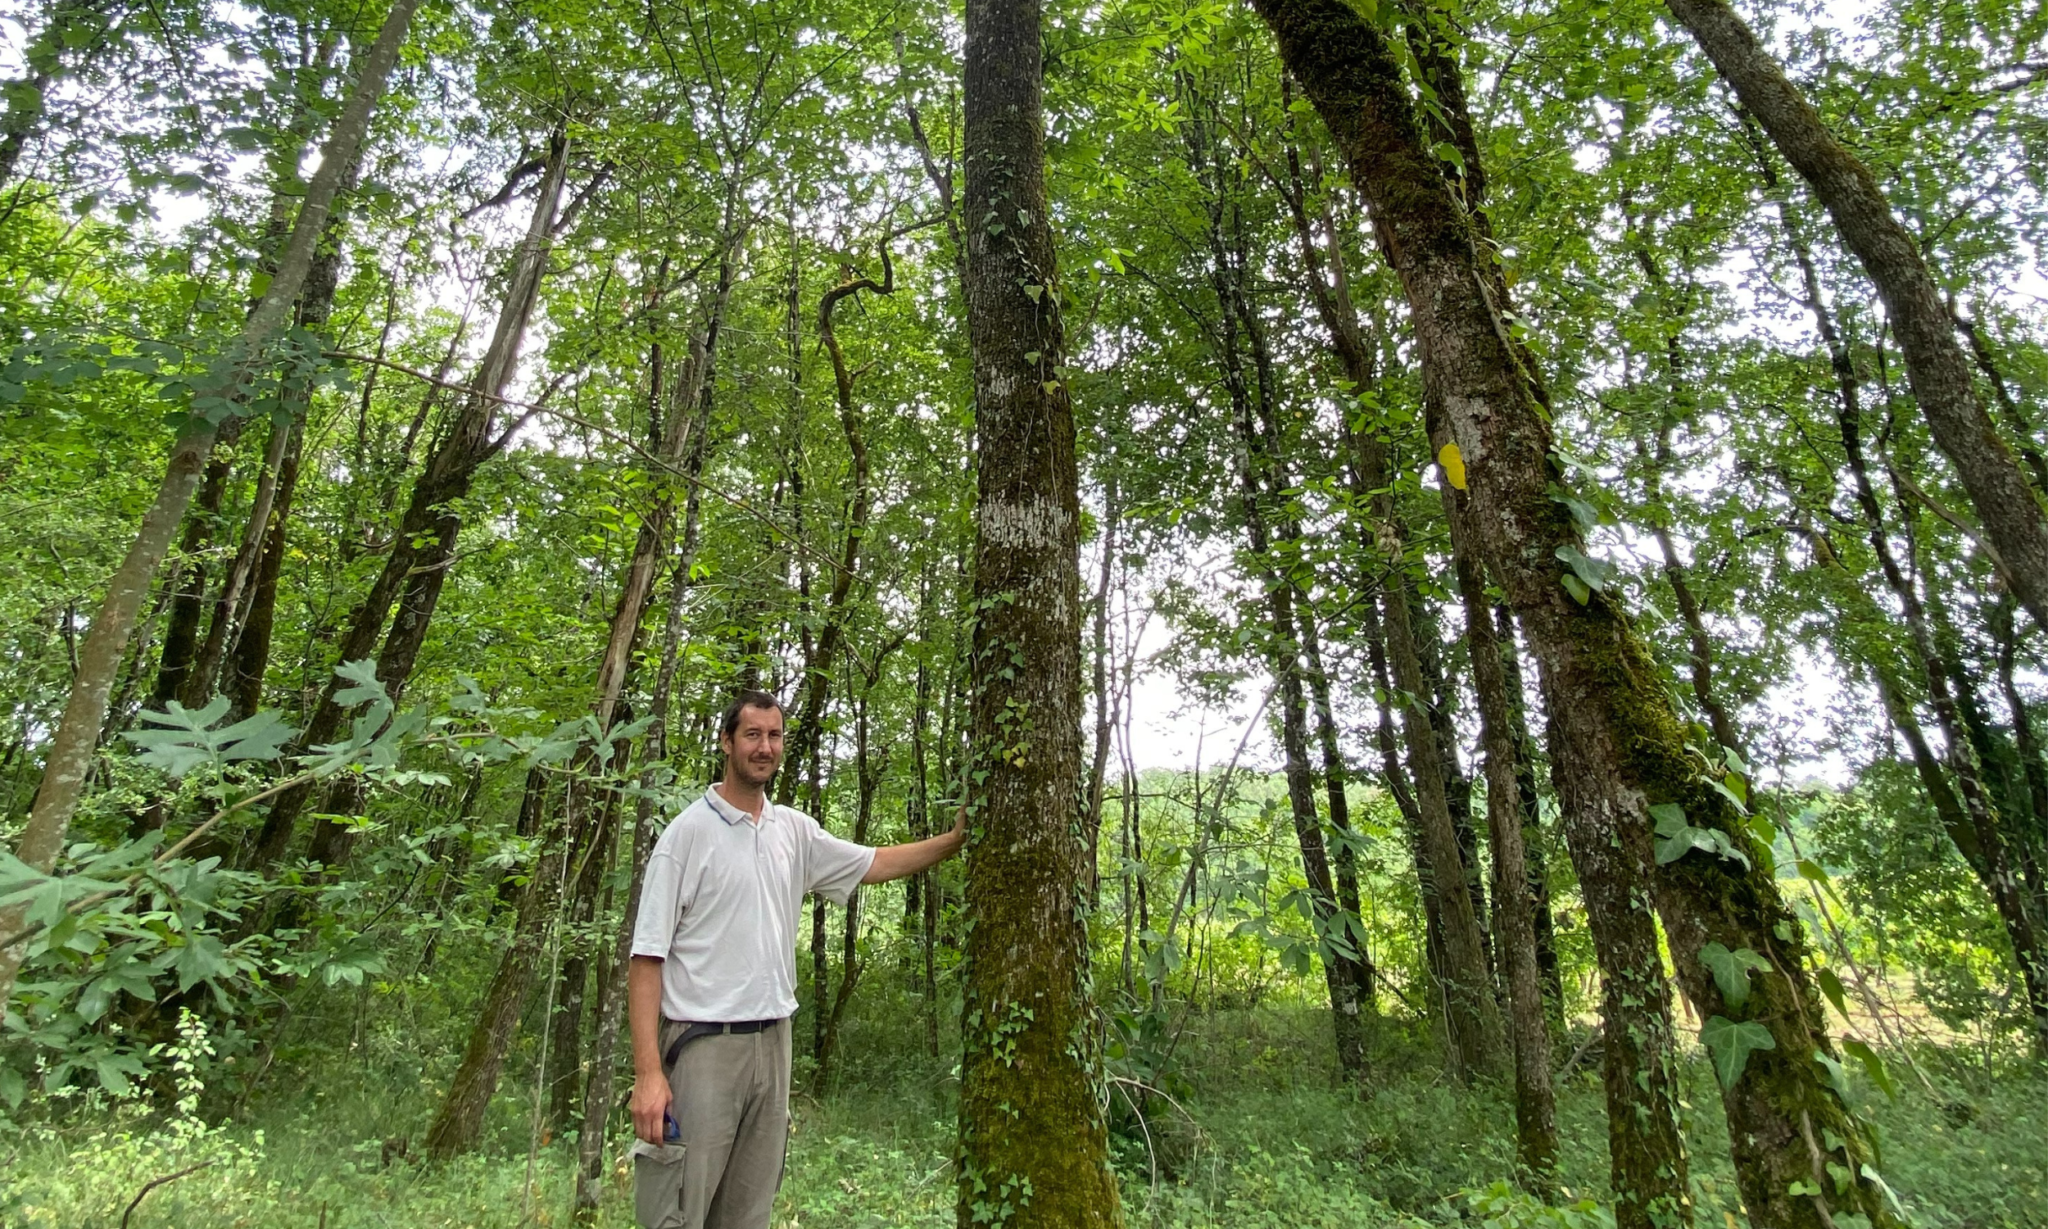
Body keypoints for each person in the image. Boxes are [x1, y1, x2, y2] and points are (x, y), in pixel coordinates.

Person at [625, 688, 965, 1229]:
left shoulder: (793, 832)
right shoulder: (686, 836)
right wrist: (649, 1074)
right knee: (682, 1210)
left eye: (774, 735)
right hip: (704, 1046)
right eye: (752, 735)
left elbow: (872, 863)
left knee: (747, 1211)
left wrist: (953, 841)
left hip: (774, 1045)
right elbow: (646, 959)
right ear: (726, 742)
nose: (765, 747)